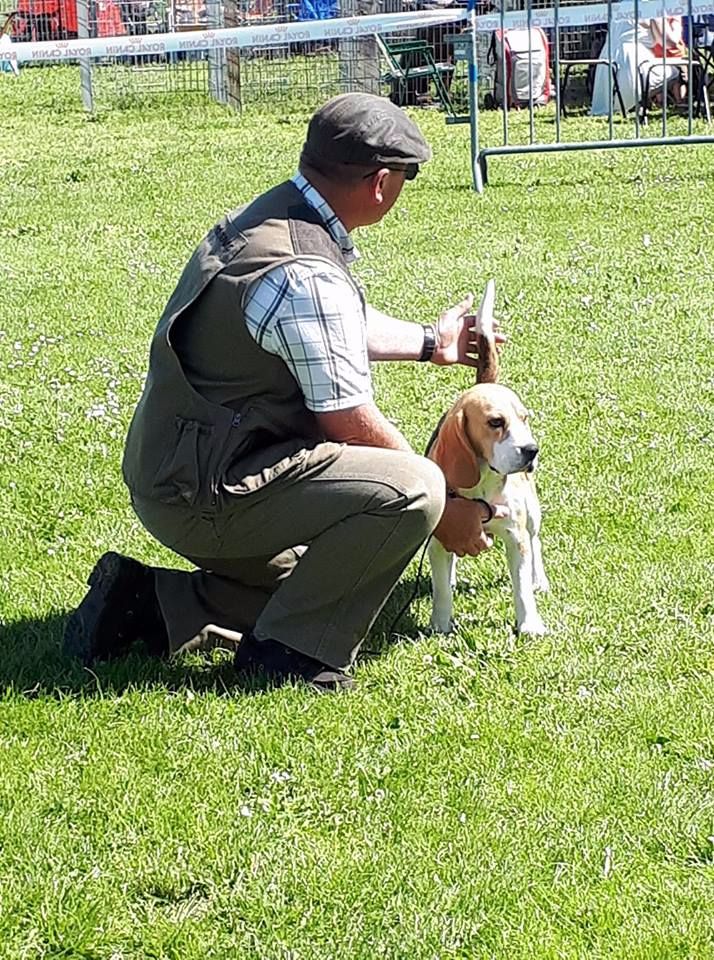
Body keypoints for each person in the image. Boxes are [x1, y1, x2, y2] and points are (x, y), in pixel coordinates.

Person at [63, 92, 506, 693]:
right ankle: (291, 657)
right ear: (380, 184)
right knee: (412, 489)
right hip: (205, 491)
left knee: (329, 572)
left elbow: (323, 325)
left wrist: (433, 342)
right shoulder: (305, 270)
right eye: (408, 175)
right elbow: (349, 419)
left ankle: (148, 604)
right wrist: (446, 510)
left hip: (175, 471)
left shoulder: (275, 218)